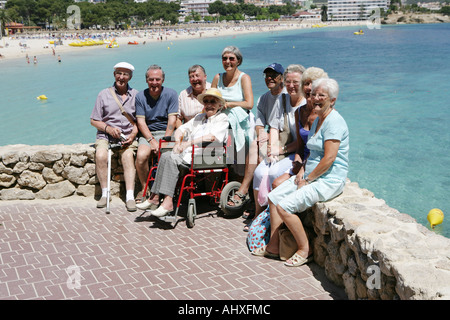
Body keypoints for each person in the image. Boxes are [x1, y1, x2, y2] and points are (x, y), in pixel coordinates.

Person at [252, 78, 349, 267]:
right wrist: (303, 170)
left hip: (328, 179)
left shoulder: (334, 122)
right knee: (273, 197)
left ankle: (305, 249)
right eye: (314, 94)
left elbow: (328, 159)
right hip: (310, 175)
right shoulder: (318, 120)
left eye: (322, 95)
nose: (316, 98)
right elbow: (311, 152)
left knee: (285, 207)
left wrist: (309, 178)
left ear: (333, 100)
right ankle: (273, 245)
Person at [136, 88, 229, 216]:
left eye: (213, 101)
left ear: (219, 105)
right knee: (165, 156)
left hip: (207, 155)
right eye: (206, 101)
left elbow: (211, 137)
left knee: (171, 159)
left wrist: (188, 143)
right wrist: (179, 142)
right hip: (190, 154)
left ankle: (168, 202)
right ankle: (154, 197)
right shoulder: (200, 117)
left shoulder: (222, 118)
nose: (209, 104)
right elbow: (181, 129)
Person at [250, 64, 305, 223]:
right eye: (289, 82)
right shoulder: (282, 99)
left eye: (296, 82)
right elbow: (274, 126)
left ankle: (272, 218)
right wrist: (273, 149)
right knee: (259, 172)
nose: (291, 86)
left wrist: (280, 149)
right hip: (284, 148)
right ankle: (257, 215)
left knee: (275, 175)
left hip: (296, 150)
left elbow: (302, 141)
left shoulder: (305, 105)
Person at [239, 63, 285, 230]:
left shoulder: (287, 96)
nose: (270, 78)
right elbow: (259, 123)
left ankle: (255, 203)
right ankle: (250, 195)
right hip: (269, 137)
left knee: (259, 157)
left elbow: (285, 128)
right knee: (254, 146)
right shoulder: (264, 98)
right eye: (267, 75)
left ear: (282, 78)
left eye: (274, 75)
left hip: (282, 139)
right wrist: (261, 134)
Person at [90, 62, 139, 212]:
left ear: (130, 77)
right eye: (119, 73)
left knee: (128, 156)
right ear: (114, 75)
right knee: (100, 155)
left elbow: (139, 121)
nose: (121, 77)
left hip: (127, 137)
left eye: (125, 74)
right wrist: (109, 129)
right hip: (106, 135)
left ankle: (130, 196)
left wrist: (132, 135)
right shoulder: (103, 94)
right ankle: (105, 193)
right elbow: (94, 120)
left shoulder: (137, 95)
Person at [211, 46, 254, 207]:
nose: (227, 62)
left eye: (231, 58)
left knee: (238, 158)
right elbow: (211, 99)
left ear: (238, 61)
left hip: (238, 122)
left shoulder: (244, 78)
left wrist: (228, 104)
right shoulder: (217, 78)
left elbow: (249, 104)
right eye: (225, 58)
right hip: (221, 121)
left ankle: (241, 192)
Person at [272, 67, 329, 189]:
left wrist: (303, 168)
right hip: (303, 162)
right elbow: (300, 146)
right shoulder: (299, 112)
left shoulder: (323, 115)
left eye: (314, 84)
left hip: (316, 164)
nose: (309, 87)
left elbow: (324, 152)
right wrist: (297, 161)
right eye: (306, 83)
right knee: (275, 183)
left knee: (280, 185)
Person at [135, 65, 179, 202]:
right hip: (148, 133)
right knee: (141, 156)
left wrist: (165, 141)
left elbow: (172, 120)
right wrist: (152, 141)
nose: (154, 83)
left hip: (167, 132)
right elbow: (141, 122)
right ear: (146, 80)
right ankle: (145, 188)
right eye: (151, 79)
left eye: (157, 79)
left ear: (163, 80)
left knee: (170, 157)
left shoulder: (171, 94)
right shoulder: (140, 96)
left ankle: (168, 192)